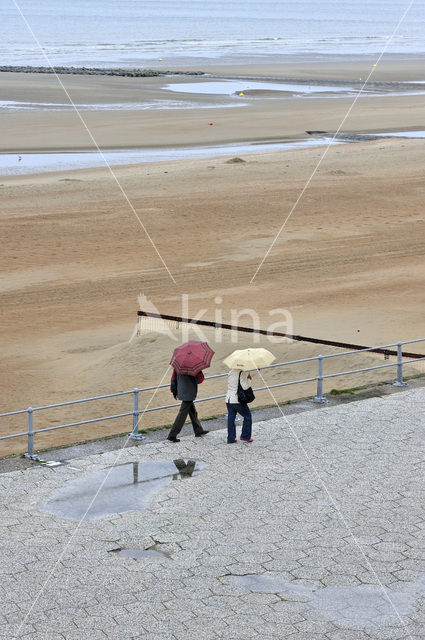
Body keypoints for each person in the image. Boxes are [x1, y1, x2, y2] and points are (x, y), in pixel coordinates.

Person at [167, 370, 209, 442]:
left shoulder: (178, 366)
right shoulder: (193, 367)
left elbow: (173, 379)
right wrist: (199, 373)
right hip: (189, 392)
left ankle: (198, 430)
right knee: (182, 415)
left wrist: (174, 392)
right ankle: (172, 435)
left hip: (181, 391)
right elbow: (199, 380)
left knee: (192, 411)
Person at [226, 369, 253, 443]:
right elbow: (245, 387)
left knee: (231, 419)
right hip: (237, 400)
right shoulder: (242, 373)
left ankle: (231, 438)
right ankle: (245, 436)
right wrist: (249, 379)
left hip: (228, 399)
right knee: (248, 416)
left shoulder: (230, 372)